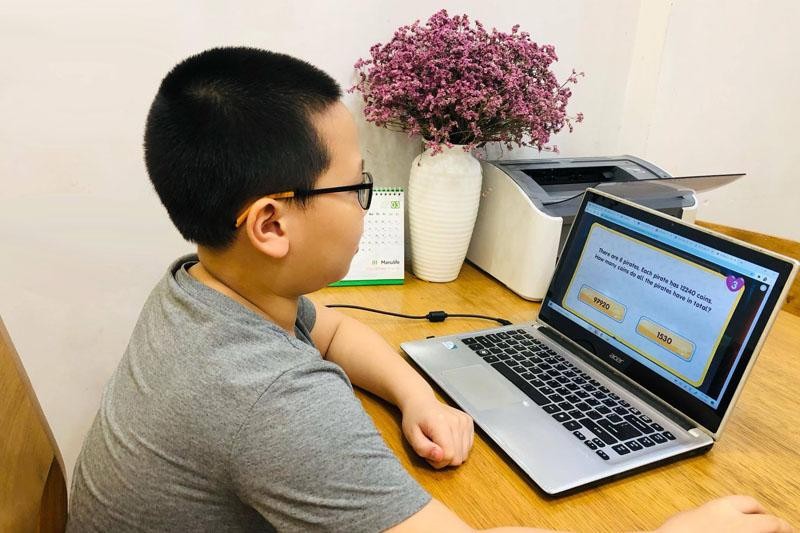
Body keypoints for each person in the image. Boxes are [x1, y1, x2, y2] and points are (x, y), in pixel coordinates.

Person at [67, 47, 792, 533]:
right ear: (271, 224)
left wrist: (418, 396)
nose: (368, 200)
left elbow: (332, 330)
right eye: (357, 185)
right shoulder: (274, 403)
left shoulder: (201, 285)